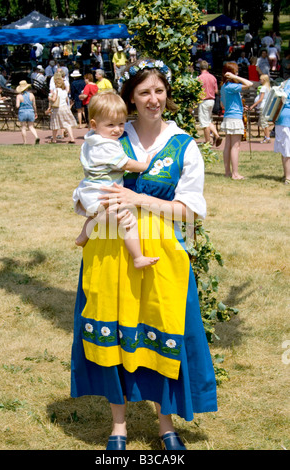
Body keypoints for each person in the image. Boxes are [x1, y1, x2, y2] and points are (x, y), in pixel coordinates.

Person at [71, 58, 217, 450]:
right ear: (130, 98)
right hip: (107, 249)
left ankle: (165, 424)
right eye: (144, 92)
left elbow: (191, 211)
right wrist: (86, 208)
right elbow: (85, 190)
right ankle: (118, 425)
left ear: (167, 95)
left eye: (159, 91)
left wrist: (139, 199)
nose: (153, 99)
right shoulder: (111, 133)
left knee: (161, 332)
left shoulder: (183, 144)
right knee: (113, 334)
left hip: (160, 252)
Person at [73, 91, 160, 270]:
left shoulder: (90, 141)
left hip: (90, 190)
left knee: (96, 216)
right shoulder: (107, 145)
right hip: (104, 193)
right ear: (94, 124)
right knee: (127, 220)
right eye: (111, 124)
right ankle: (137, 257)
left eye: (121, 124)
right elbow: (126, 164)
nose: (118, 129)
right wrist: (145, 165)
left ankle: (83, 236)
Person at [220, 62, 253, 179]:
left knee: (228, 145)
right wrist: (235, 77)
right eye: (236, 71)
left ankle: (227, 172)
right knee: (236, 146)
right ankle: (235, 173)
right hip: (235, 117)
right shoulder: (232, 86)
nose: (238, 73)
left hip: (228, 116)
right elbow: (250, 84)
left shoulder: (224, 87)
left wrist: (239, 106)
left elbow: (222, 104)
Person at [197, 60, 222, 146]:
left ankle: (207, 142)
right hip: (212, 100)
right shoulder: (213, 77)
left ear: (200, 68)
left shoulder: (199, 78)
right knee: (208, 120)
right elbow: (216, 90)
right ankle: (217, 135)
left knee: (204, 123)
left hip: (204, 100)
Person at [49, 75, 77, 144]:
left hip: (58, 108)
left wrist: (50, 98)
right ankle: (72, 138)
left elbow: (54, 99)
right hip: (65, 108)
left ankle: (54, 139)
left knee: (55, 124)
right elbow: (67, 100)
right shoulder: (64, 91)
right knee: (67, 124)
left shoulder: (56, 91)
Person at [274, 78, 290, 184]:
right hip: (285, 118)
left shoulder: (285, 82)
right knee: (287, 149)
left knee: (286, 148)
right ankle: (288, 177)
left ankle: (287, 175)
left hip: (282, 118)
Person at [15, 80, 40, 145]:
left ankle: (25, 142)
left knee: (23, 127)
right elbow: (34, 105)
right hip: (30, 111)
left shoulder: (19, 96)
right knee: (31, 126)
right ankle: (36, 136)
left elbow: (17, 106)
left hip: (22, 112)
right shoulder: (31, 95)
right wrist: (36, 112)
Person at [249, 74, 271, 143]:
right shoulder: (268, 88)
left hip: (262, 106)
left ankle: (267, 137)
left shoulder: (263, 88)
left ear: (263, 80)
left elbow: (261, 99)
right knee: (263, 122)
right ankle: (266, 137)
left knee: (264, 123)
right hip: (266, 106)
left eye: (260, 79)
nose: (259, 80)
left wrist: (253, 105)